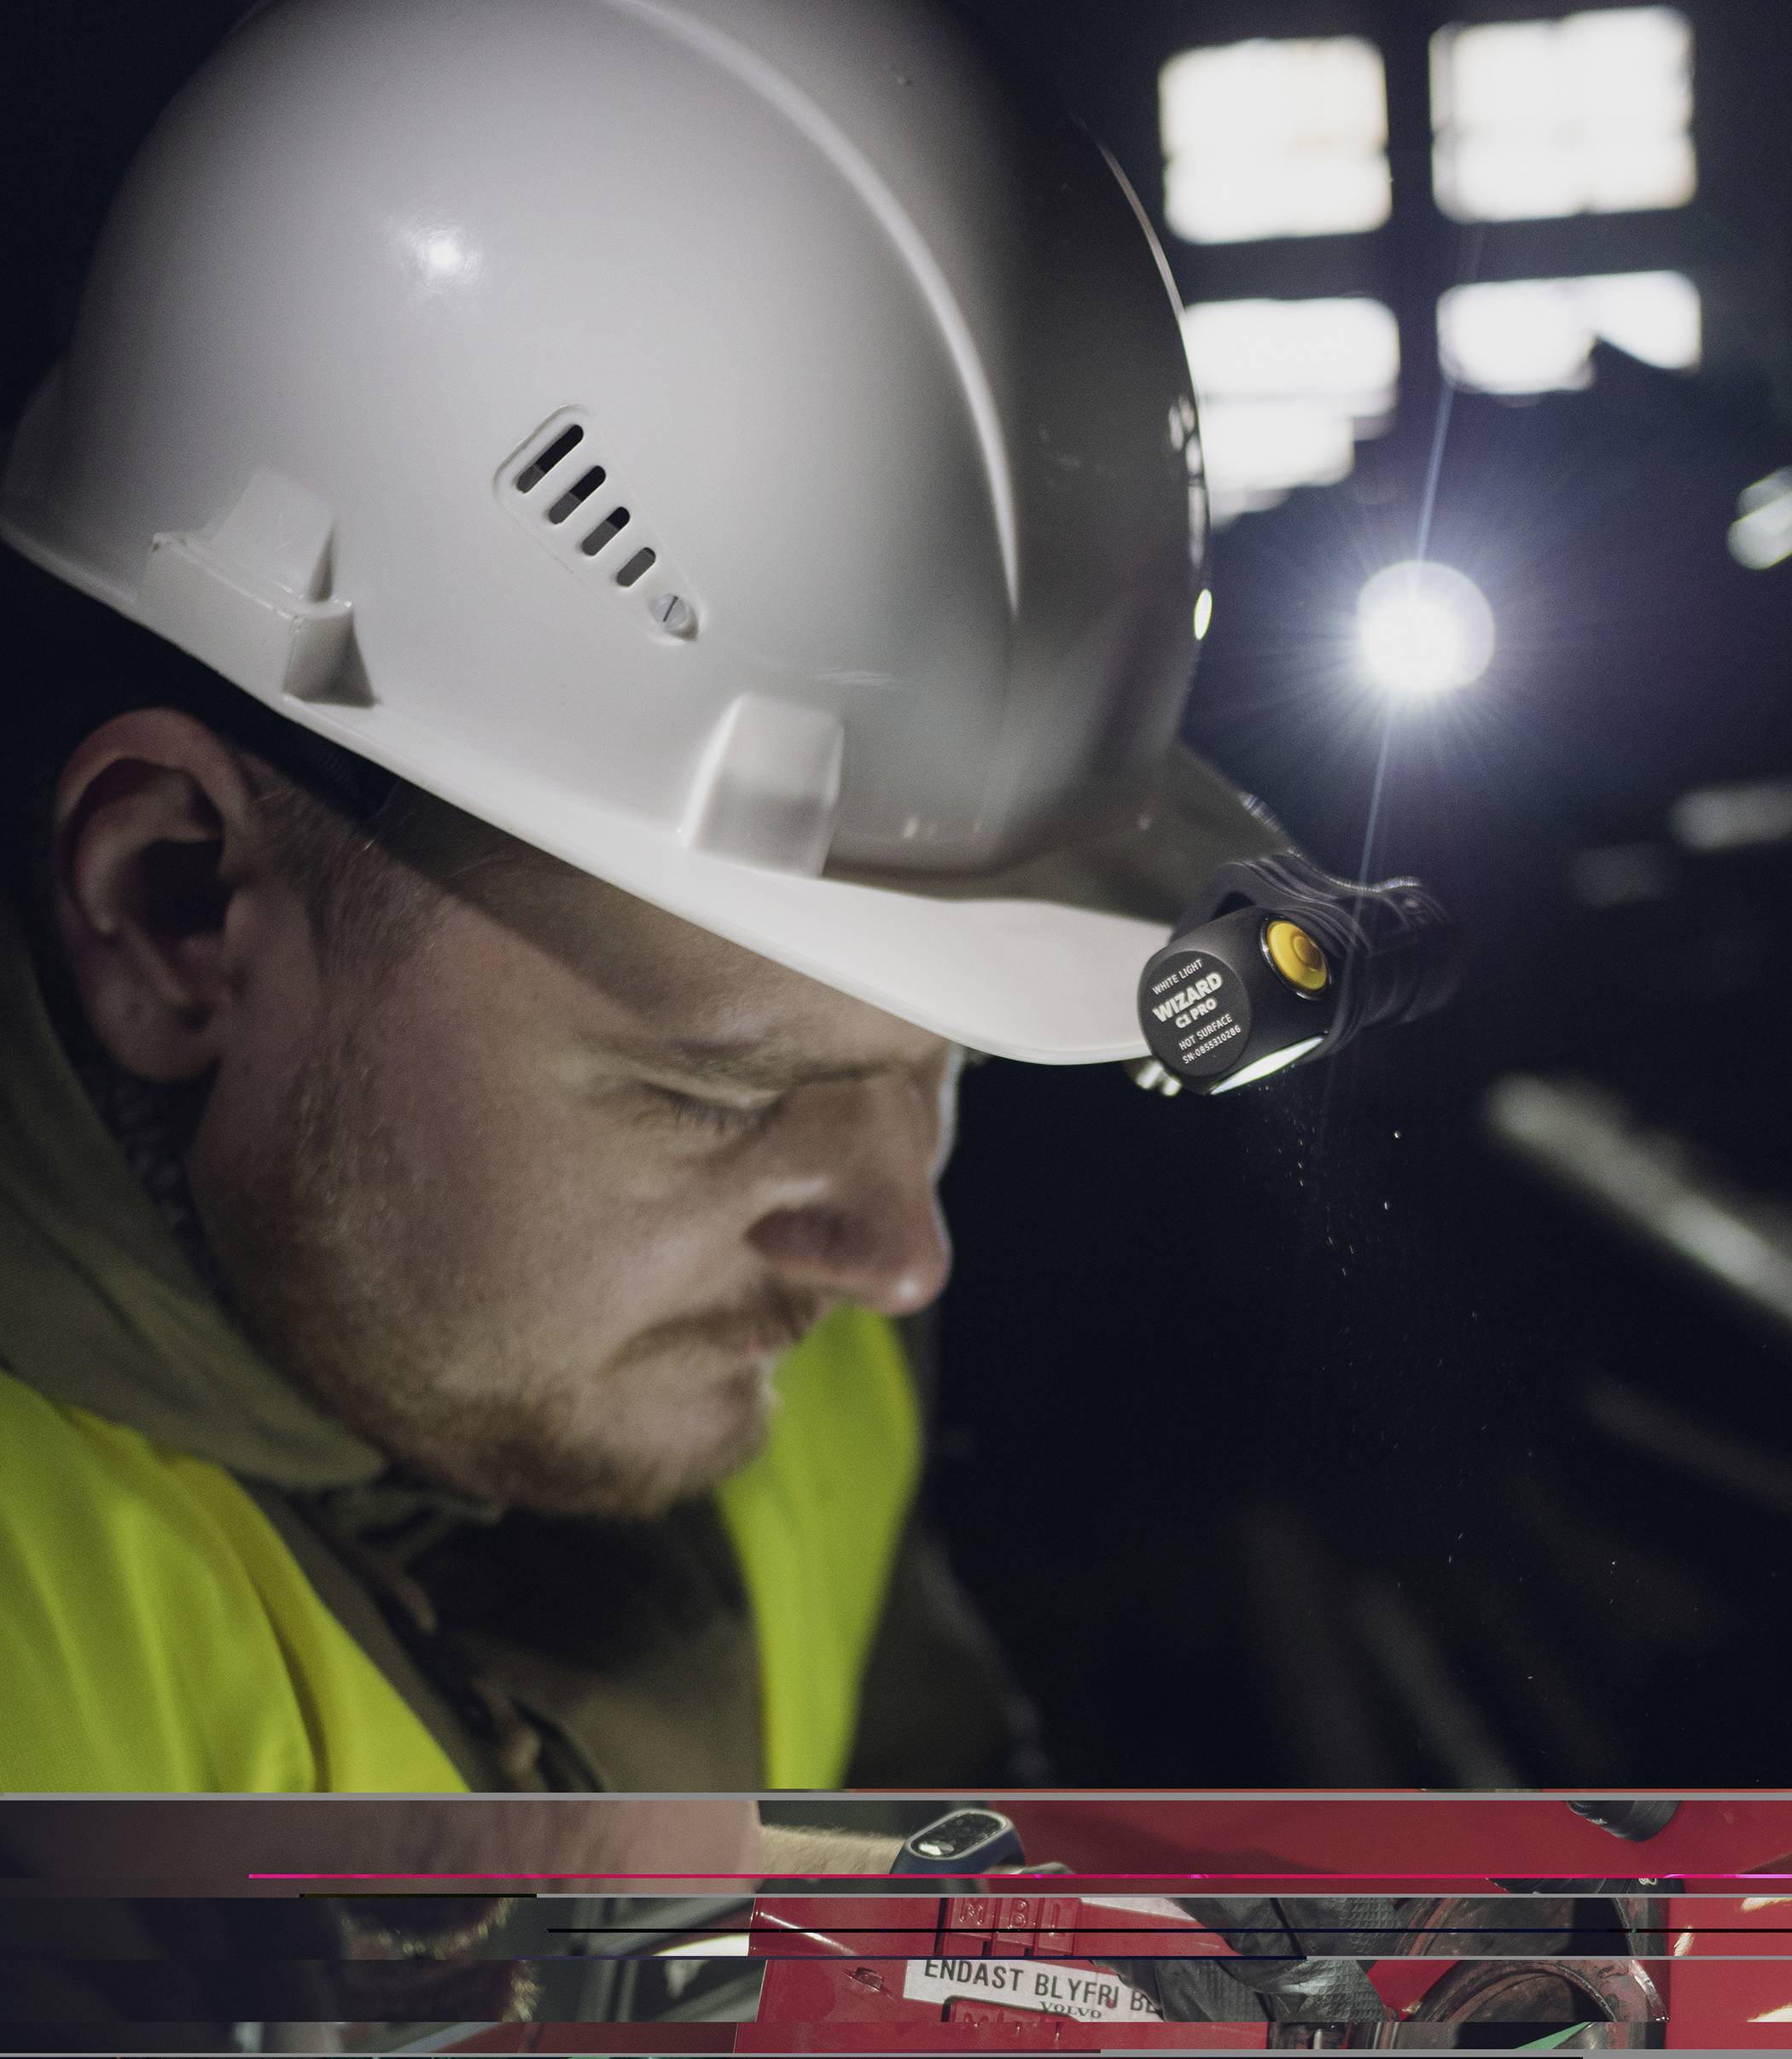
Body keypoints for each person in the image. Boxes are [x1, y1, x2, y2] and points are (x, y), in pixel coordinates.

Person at [0, 0, 1283, 1793]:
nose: (901, 1259)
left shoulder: (768, 1353)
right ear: (177, 908)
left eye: (944, 1062)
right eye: (715, 1094)